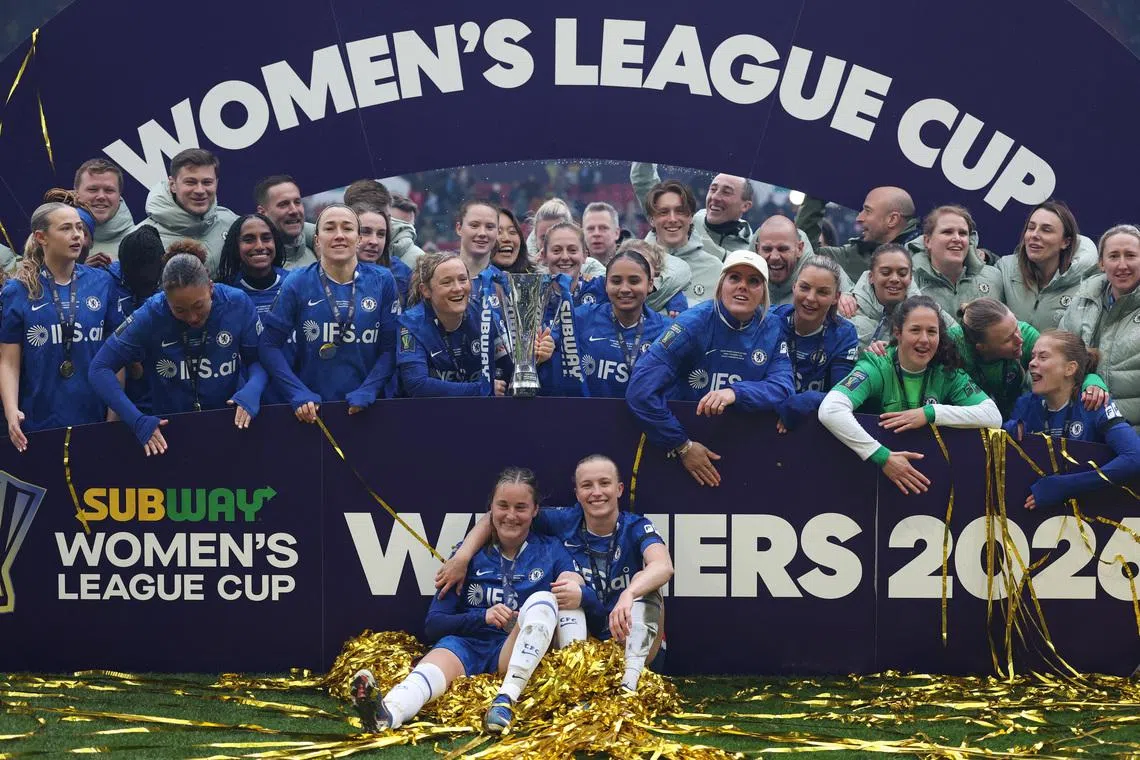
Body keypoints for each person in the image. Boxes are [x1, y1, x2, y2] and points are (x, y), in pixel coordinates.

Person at [351, 467, 585, 734]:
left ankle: (505, 700)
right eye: (503, 506)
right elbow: (434, 624)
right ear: (491, 509)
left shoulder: (552, 550)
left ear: (535, 511)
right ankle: (387, 714)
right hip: (469, 643)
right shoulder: (466, 556)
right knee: (431, 668)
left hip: (516, 648)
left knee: (543, 600)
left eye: (521, 507)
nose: (511, 515)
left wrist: (574, 582)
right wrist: (482, 616)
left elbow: (572, 585)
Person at [436, 455, 673, 694]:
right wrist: (462, 557)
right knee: (565, 589)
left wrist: (629, 594)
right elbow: (497, 517)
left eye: (605, 483)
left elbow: (663, 566)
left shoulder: (635, 525)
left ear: (619, 489)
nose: (596, 492)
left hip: (629, 636)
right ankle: (576, 685)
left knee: (647, 584)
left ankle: (629, 683)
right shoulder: (564, 520)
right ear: (577, 493)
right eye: (587, 485)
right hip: (585, 634)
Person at [628, 250, 794, 486]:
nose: (742, 286)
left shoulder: (772, 328)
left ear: (764, 292)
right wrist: (682, 445)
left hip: (745, 449)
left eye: (753, 281)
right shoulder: (692, 323)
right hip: (683, 449)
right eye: (734, 278)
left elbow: (783, 388)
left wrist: (734, 392)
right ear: (720, 285)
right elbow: (640, 390)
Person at [89, 243, 267, 455]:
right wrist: (135, 419)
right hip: (169, 434)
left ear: (211, 287)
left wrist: (252, 390)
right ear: (165, 298)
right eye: (180, 310)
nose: (192, 317)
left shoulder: (237, 303)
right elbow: (99, 368)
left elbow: (258, 360)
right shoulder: (151, 313)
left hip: (229, 425)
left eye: (199, 306)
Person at [818, 295, 1002, 495]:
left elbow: (993, 416)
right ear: (898, 332)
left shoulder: (946, 371)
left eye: (932, 332)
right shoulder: (877, 365)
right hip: (867, 484)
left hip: (924, 486)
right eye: (915, 330)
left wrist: (930, 413)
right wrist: (882, 457)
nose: (924, 339)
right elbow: (830, 410)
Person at [259, 204, 400, 421]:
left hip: (370, 409)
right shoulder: (297, 282)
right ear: (317, 240)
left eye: (348, 228)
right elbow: (269, 345)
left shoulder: (382, 281)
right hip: (314, 411)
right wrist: (296, 392)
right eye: (329, 228)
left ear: (359, 238)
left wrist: (369, 389)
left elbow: (390, 347)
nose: (339, 236)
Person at [0, 203, 120, 450]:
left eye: (79, 228)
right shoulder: (18, 290)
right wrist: (11, 411)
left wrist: (115, 413)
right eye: (66, 228)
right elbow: (8, 361)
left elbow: (116, 356)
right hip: (38, 421)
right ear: (41, 237)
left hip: (93, 417)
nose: (77, 235)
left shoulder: (102, 282)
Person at [1005, 331, 1140, 509]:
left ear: (1070, 368)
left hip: (1091, 520)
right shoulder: (1025, 405)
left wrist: (1065, 487)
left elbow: (1135, 457)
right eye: (1033, 356)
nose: (1031, 363)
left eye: (1043, 357)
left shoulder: (1093, 404)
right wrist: (1005, 432)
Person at [954, 298, 1106, 418]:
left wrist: (1092, 381)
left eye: (1016, 327)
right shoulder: (955, 348)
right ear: (982, 347)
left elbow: (1072, 361)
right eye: (1008, 340)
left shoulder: (1026, 335)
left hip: (1014, 415)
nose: (1019, 340)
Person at [397, 252, 521, 396]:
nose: (457, 288)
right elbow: (416, 384)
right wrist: (480, 389)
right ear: (425, 290)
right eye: (446, 282)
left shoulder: (486, 315)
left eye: (463, 280)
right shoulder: (411, 324)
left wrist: (534, 359)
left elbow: (509, 369)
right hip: (428, 414)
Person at [1060, 224, 1140, 427]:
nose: (1122, 265)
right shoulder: (1081, 301)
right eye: (1113, 256)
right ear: (1101, 263)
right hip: (1083, 434)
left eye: (1130, 255)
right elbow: (1057, 358)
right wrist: (1088, 378)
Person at [565, 249, 670, 398]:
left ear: (650, 284)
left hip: (643, 418)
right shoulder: (582, 317)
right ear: (606, 284)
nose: (625, 289)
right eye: (616, 281)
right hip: (589, 416)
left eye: (634, 281)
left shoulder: (667, 330)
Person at [771, 256, 859, 431]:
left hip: (817, 428)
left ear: (836, 297)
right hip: (768, 421)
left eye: (823, 292)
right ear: (794, 286)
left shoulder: (844, 334)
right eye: (804, 287)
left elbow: (841, 395)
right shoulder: (772, 321)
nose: (811, 298)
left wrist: (809, 399)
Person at [995, 200, 1097, 332]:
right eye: (1031, 228)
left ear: (1066, 242)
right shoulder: (1005, 268)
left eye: (1046, 230)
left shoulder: (1087, 285)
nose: (1034, 235)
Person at [135, 148, 237, 276]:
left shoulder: (231, 222)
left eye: (207, 182)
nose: (200, 190)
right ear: (172, 185)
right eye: (190, 182)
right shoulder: (141, 238)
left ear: (216, 183)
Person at [796, 186, 920, 283]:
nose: (859, 218)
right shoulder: (854, 255)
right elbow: (804, 251)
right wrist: (816, 196)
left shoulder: (926, 258)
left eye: (867, 211)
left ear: (892, 219)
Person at [630, 164, 754, 261]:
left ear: (745, 206)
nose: (715, 197)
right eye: (713, 189)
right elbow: (643, 181)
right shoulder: (680, 222)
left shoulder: (752, 250)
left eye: (726, 192)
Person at [908, 205, 1003, 317]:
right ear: (927, 241)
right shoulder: (909, 281)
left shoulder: (994, 277)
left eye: (963, 233)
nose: (957, 239)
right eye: (947, 232)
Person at [643, 180, 723, 305]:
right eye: (664, 212)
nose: (672, 219)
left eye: (680, 211)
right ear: (651, 220)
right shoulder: (633, 263)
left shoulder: (715, 269)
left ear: (691, 217)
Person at [756, 215, 853, 309]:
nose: (774, 257)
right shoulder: (744, 273)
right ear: (757, 249)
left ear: (799, 248)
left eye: (783, 249)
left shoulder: (832, 274)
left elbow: (857, 319)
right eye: (767, 249)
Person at [74, 158, 134, 261]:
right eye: (92, 190)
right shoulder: (50, 239)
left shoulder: (138, 243)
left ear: (119, 196)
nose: (101, 196)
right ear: (76, 193)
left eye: (109, 190)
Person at [254, 175, 316, 270]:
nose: (294, 210)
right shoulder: (256, 267)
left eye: (297, 202)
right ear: (262, 213)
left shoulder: (324, 253)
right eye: (283, 204)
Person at [354, 203, 412, 305]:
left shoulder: (401, 273)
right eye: (365, 232)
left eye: (381, 234)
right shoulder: (321, 273)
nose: (374, 241)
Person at [540, 222, 606, 306]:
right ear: (544, 256)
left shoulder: (601, 290)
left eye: (572, 250)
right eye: (556, 250)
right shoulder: (533, 295)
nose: (565, 257)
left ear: (585, 255)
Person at [628, 239, 690, 317]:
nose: (636, 268)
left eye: (643, 263)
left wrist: (676, 304)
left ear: (656, 269)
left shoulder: (669, 290)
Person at [492, 207, 535, 274]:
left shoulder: (538, 279)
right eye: (498, 232)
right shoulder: (472, 279)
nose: (507, 238)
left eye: (512, 232)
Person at [582, 201, 623, 268]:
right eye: (591, 229)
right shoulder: (575, 266)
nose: (596, 234)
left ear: (616, 233)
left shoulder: (634, 261)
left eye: (603, 228)